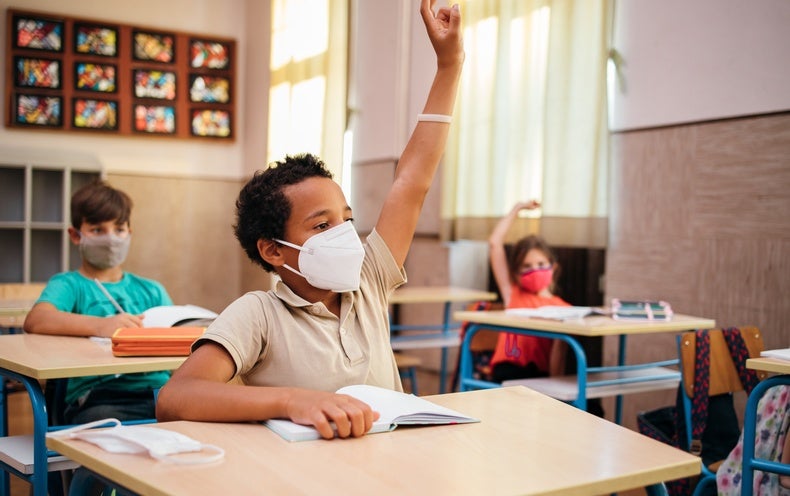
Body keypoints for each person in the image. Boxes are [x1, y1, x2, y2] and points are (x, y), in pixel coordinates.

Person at [155, 0, 464, 440]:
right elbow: (176, 398)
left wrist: (450, 64)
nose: (343, 235)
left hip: (391, 469)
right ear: (273, 249)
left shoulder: (368, 279)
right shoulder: (258, 313)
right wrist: (291, 399)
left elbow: (411, 181)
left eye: (346, 220)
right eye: (322, 226)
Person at [23, 179, 173, 424]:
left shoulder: (152, 290)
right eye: (97, 230)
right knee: (105, 430)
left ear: (129, 233)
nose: (110, 238)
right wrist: (101, 326)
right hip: (98, 398)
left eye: (119, 229)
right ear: (75, 235)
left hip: (161, 393)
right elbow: (37, 319)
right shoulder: (70, 285)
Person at [487, 201, 569, 383]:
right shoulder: (513, 294)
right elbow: (495, 243)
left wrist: (556, 390)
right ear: (516, 274)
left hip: (539, 377)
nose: (535, 270)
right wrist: (516, 209)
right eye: (526, 266)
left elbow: (559, 355)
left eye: (540, 264)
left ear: (553, 267)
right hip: (507, 372)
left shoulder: (563, 308)